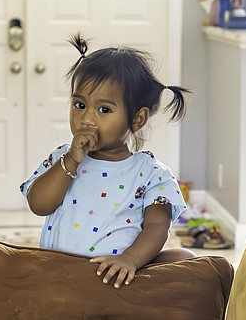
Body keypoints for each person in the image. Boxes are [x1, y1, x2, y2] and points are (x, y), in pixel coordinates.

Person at [20, 34, 196, 290]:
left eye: (104, 110)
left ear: (137, 119)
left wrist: (130, 259)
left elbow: (158, 226)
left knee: (185, 260)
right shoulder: (62, 158)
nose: (87, 119)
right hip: (61, 274)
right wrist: (70, 162)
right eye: (79, 104)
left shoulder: (151, 173)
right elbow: (38, 204)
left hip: (118, 275)